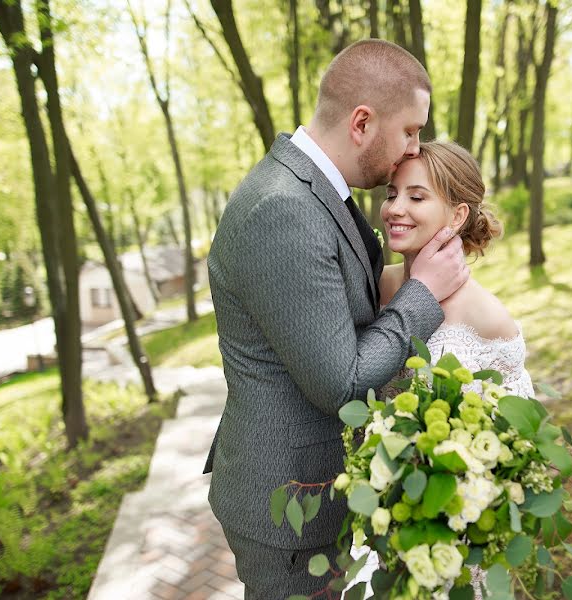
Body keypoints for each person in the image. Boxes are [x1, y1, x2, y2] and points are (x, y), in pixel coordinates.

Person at [202, 40, 469, 599]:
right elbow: (340, 382)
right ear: (363, 122)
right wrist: (422, 292)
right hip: (289, 510)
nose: (412, 148)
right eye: (410, 132)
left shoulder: (318, 192)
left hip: (318, 490)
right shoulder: (282, 209)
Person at [346, 140, 535, 596]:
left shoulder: (488, 318)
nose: (394, 208)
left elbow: (516, 452)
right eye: (392, 193)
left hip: (450, 538)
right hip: (377, 524)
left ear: (457, 216)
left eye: (417, 196)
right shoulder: (375, 288)